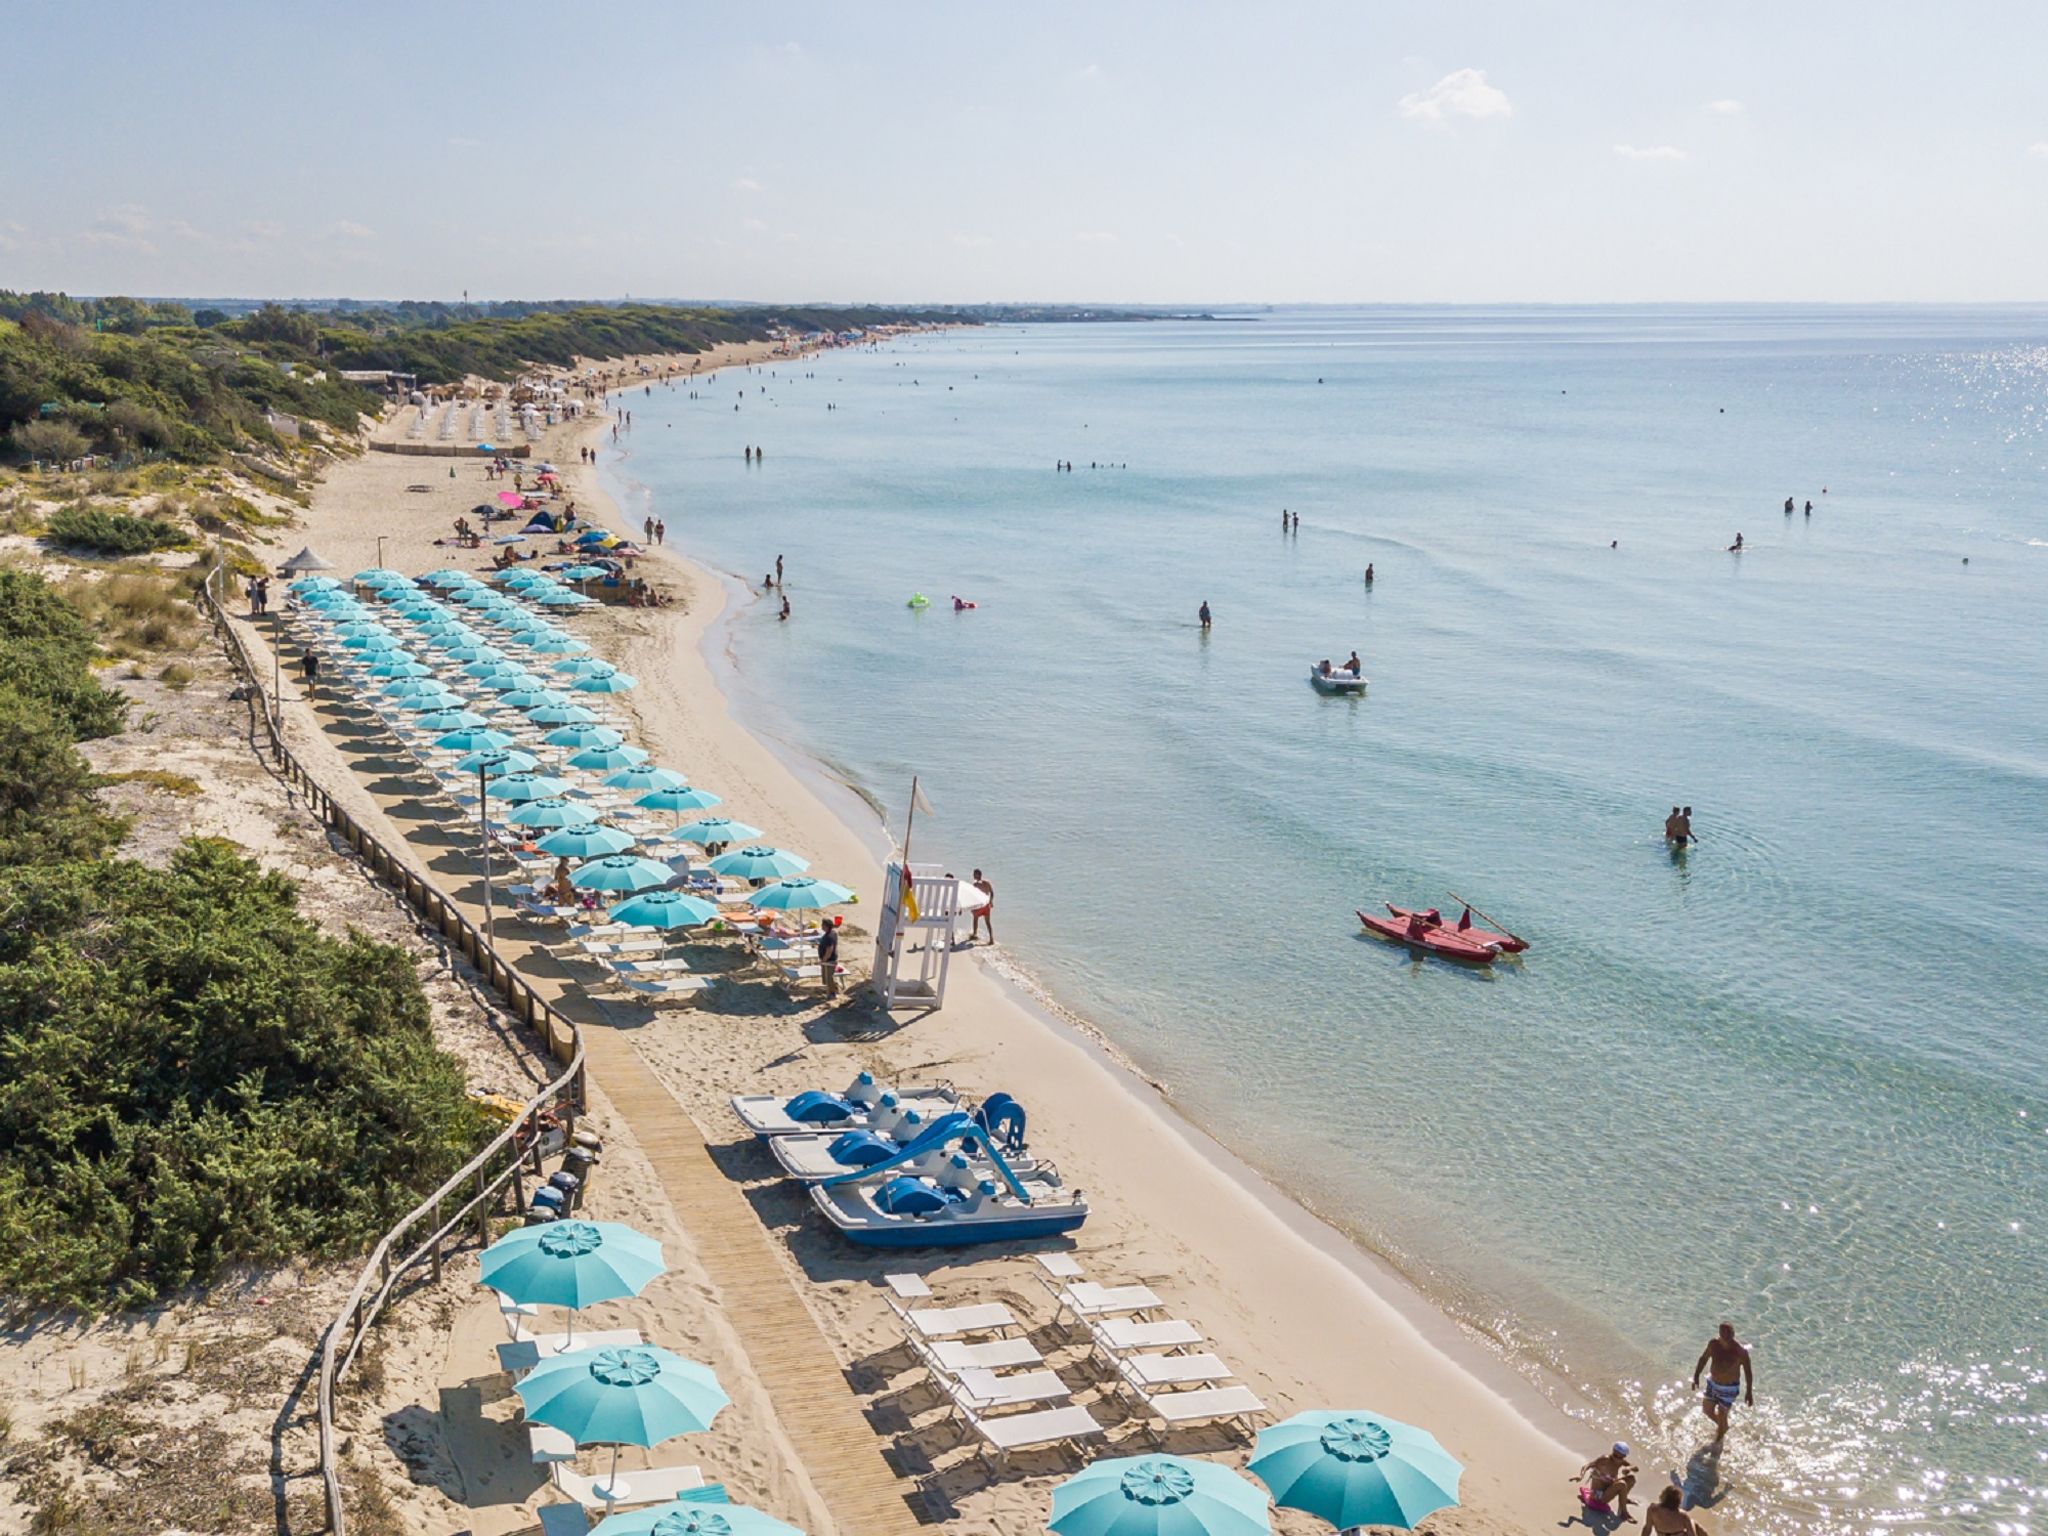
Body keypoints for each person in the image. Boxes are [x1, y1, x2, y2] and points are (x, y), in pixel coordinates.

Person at [1692, 1322, 1753, 1440]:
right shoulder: (1713, 1344)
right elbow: (1703, 1358)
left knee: (1722, 1414)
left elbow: (1748, 1372)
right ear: (1719, 1333)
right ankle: (1724, 1427)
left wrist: (1749, 1392)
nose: (1725, 1335)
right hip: (1712, 1384)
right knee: (1707, 1410)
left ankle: (1717, 1445)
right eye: (1722, 1332)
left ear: (1733, 1334)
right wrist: (1696, 1376)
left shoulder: (1740, 1352)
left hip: (1729, 1388)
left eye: (1728, 1333)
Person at [1575, 1442, 1638, 1520]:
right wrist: (1580, 1476)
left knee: (1631, 1478)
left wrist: (1629, 1468)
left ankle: (1624, 1500)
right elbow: (1588, 1465)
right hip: (1598, 1496)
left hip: (1608, 1489)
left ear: (1624, 1457)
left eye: (1620, 1457)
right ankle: (1624, 1512)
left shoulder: (1620, 1462)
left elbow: (1636, 1468)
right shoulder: (1605, 1459)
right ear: (1613, 1452)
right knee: (1622, 1484)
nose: (1616, 1459)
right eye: (1615, 1455)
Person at [815, 916, 840, 995]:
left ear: (826, 926)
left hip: (829, 961)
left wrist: (824, 960)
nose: (821, 926)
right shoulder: (833, 933)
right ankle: (833, 989)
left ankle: (833, 992)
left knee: (828, 978)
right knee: (827, 978)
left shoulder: (828, 937)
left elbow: (829, 950)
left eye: (823, 925)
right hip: (831, 959)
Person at [969, 869, 995, 944]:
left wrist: (972, 906)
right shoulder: (987, 882)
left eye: (974, 874)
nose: (973, 876)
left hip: (979, 905)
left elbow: (973, 897)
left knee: (975, 920)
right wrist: (990, 901)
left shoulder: (975, 884)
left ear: (978, 875)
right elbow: (992, 893)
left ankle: (974, 934)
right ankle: (991, 939)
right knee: (988, 922)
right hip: (986, 905)